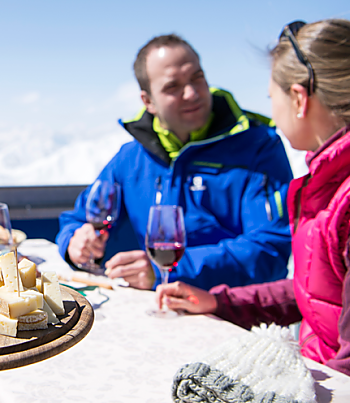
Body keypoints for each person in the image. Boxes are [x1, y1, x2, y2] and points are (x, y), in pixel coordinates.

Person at [157, 19, 350, 376]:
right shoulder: (329, 183)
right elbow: (320, 291)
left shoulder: (344, 200)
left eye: (270, 98)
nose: (272, 114)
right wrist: (220, 302)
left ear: (298, 99)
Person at [56, 34, 294, 290]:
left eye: (197, 78)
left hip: (235, 316)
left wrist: (167, 271)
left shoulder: (259, 147)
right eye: (173, 87)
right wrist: (74, 242)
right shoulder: (130, 159)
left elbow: (270, 249)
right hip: (161, 313)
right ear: (148, 102)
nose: (191, 93)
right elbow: (79, 218)